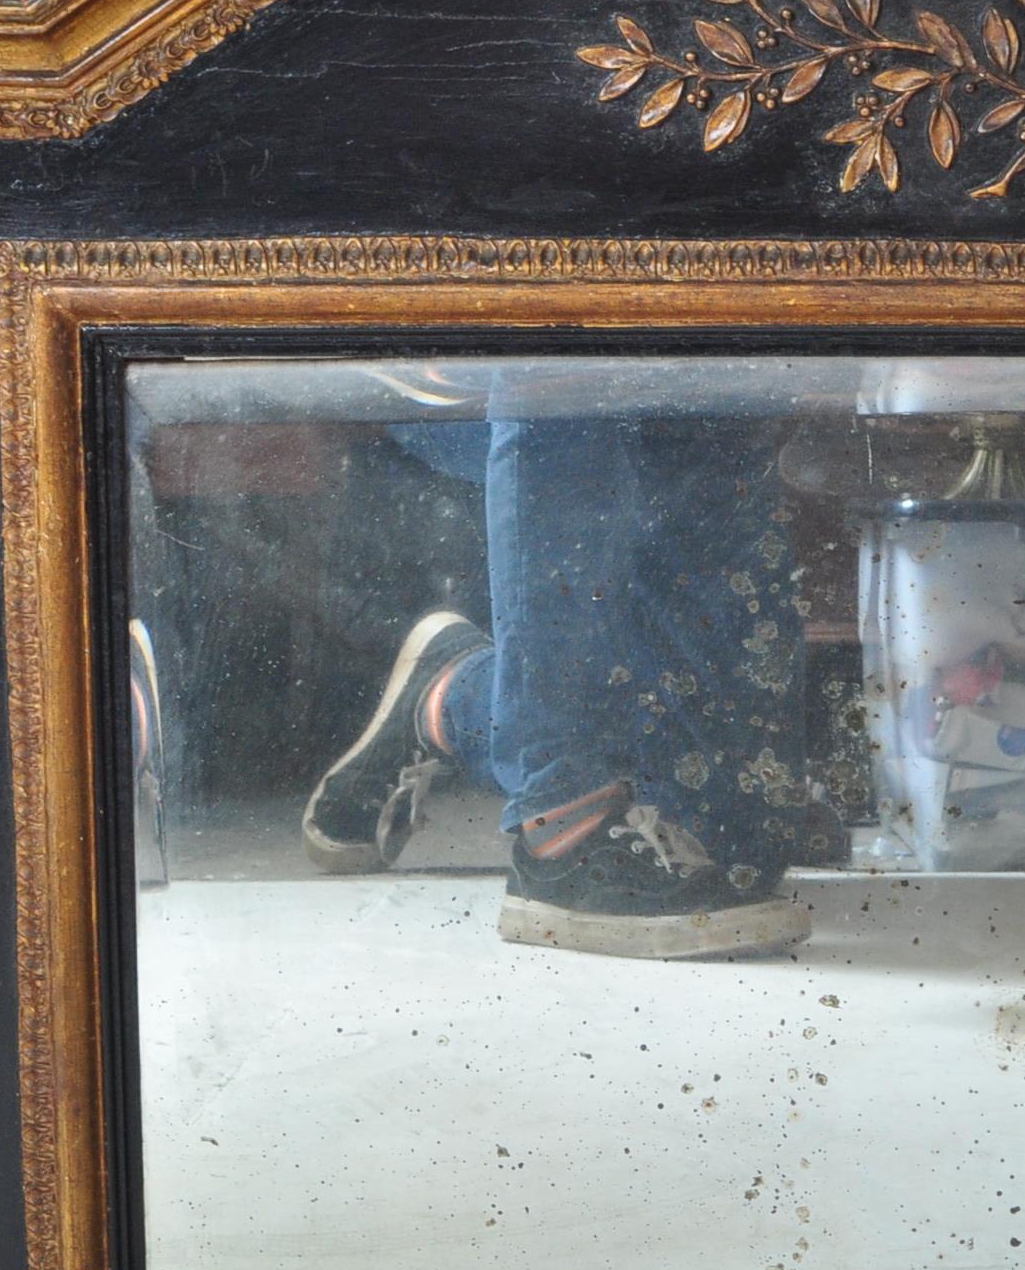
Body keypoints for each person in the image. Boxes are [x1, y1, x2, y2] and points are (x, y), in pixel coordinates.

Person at [300, 388, 822, 960]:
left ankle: (451, 695)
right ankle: (562, 819)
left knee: (739, 843)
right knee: (571, 364)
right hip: (477, 377)